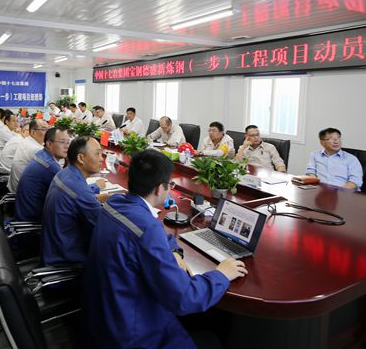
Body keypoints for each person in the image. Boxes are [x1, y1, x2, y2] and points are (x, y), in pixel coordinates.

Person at [82, 149, 247, 349]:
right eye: (170, 185)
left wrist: (174, 252)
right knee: (213, 334)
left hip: (103, 312)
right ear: (160, 188)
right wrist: (221, 274)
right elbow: (184, 298)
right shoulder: (147, 228)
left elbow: (157, 233)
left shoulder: (117, 202)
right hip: (130, 331)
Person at [42, 136, 109, 266]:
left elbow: (77, 196)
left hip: (53, 248)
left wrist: (95, 197)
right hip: (67, 261)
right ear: (81, 158)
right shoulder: (80, 191)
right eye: (97, 154)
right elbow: (105, 228)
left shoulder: (65, 173)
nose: (102, 159)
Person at [15, 128, 71, 222]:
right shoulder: (49, 167)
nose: (67, 147)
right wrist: (95, 187)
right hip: (34, 221)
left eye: (68, 142)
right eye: (62, 142)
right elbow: (72, 194)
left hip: (26, 212)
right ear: (49, 144)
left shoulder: (42, 154)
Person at [7, 119, 49, 193]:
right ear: (33, 132)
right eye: (43, 129)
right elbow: (52, 171)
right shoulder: (35, 149)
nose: (47, 133)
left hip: (17, 187)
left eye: (48, 129)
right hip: (23, 192)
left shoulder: (27, 140)